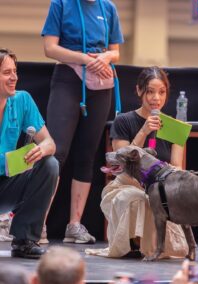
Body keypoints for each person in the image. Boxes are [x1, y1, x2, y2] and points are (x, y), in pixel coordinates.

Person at [41, 0, 124, 244]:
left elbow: (116, 51)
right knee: (56, 152)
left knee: (87, 154)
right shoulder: (61, 4)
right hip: (69, 76)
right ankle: (38, 222)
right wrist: (86, 60)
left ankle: (74, 225)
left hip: (101, 83)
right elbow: (50, 48)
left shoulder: (108, 8)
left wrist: (106, 56)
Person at [86, 66, 188, 258]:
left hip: (159, 187)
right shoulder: (124, 121)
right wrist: (143, 131)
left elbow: (176, 167)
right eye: (150, 91)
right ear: (139, 91)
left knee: (156, 199)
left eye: (161, 92)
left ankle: (150, 246)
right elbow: (122, 163)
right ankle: (132, 244)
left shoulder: (174, 126)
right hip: (125, 184)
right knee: (135, 197)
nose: (156, 98)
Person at [0, 48, 59, 258]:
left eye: (15, 71)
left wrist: (40, 149)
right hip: (6, 170)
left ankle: (24, 239)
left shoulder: (22, 100)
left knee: (50, 164)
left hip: (6, 183)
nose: (14, 77)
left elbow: (50, 142)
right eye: (7, 72)